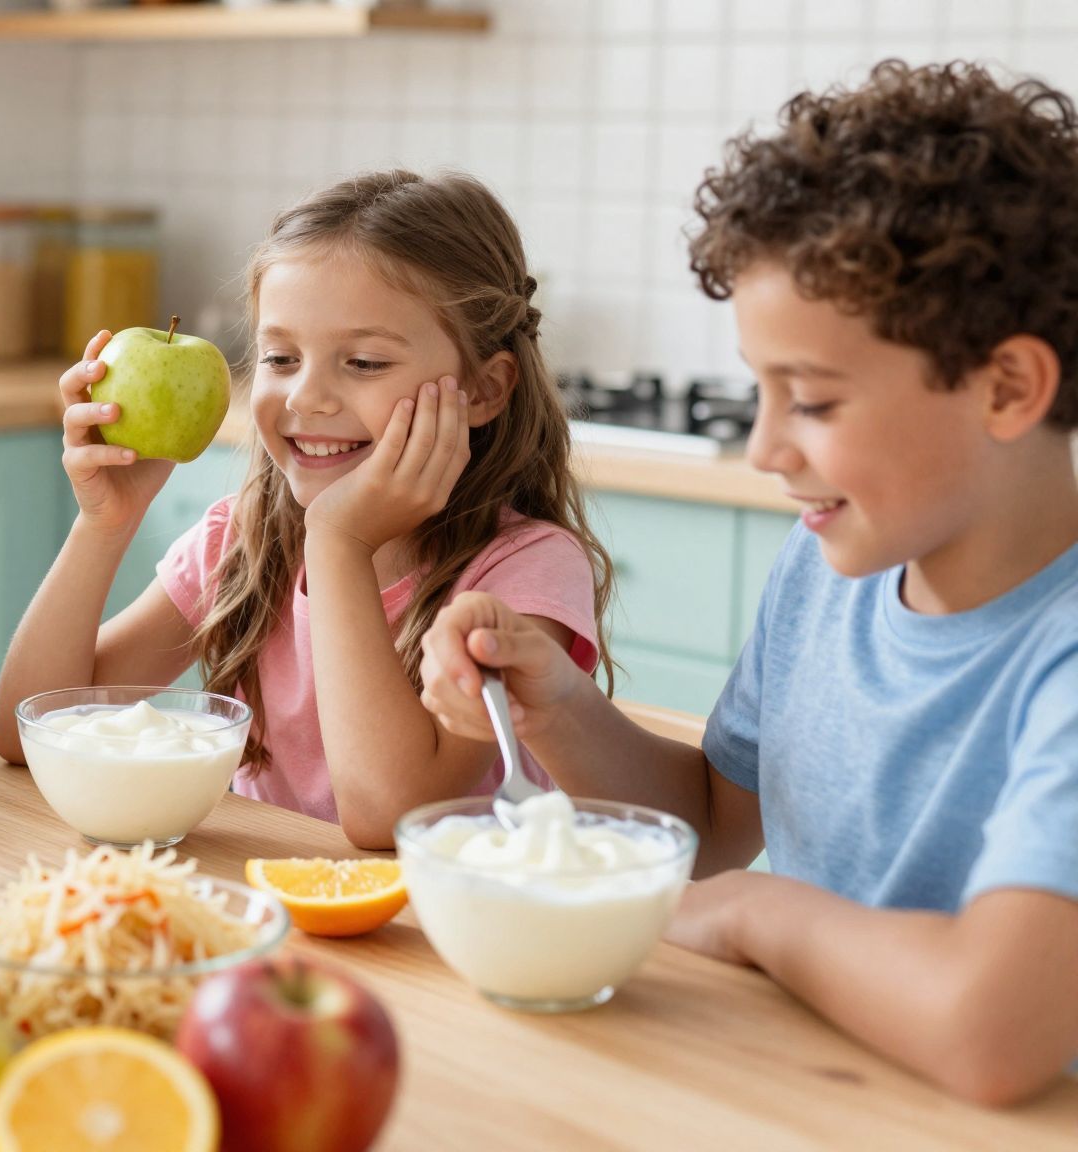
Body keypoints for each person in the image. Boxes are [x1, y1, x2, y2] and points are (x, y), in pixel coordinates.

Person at [419, 61, 1078, 1103]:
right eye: (758, 393)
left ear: (1006, 386)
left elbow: (990, 1033)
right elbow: (714, 828)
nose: (765, 448)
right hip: (811, 1085)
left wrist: (751, 915)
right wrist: (556, 707)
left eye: (809, 401)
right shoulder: (831, 566)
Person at [0, 170, 613, 848]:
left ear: (485, 390)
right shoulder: (243, 538)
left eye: (365, 362)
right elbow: (30, 730)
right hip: (272, 896)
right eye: (281, 357)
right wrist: (105, 524)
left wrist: (340, 541)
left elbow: (388, 819)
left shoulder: (524, 572)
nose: (305, 397)